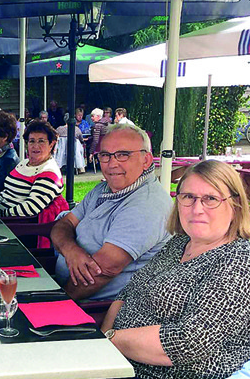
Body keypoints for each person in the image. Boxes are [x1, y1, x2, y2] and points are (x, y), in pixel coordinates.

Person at [50, 160, 250, 379]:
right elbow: (129, 291)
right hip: (129, 365)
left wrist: (112, 338)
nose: (197, 208)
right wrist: (106, 338)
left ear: (234, 204)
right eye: (188, 197)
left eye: (210, 198)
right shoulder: (179, 244)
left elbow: (187, 343)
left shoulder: (238, 264)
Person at [52, 125, 173, 301]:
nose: (112, 163)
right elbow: (64, 224)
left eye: (123, 154)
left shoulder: (146, 204)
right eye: (105, 155)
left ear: (146, 160)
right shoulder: (103, 189)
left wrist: (56, 303)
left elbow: (102, 272)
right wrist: (71, 250)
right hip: (62, 288)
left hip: (93, 309)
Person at [0, 120, 68, 224]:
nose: (35, 146)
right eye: (32, 141)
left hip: (14, 226)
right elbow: (8, 192)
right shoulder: (24, 163)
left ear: (51, 144)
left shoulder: (49, 173)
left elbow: (30, 208)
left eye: (41, 141)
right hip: (1, 218)